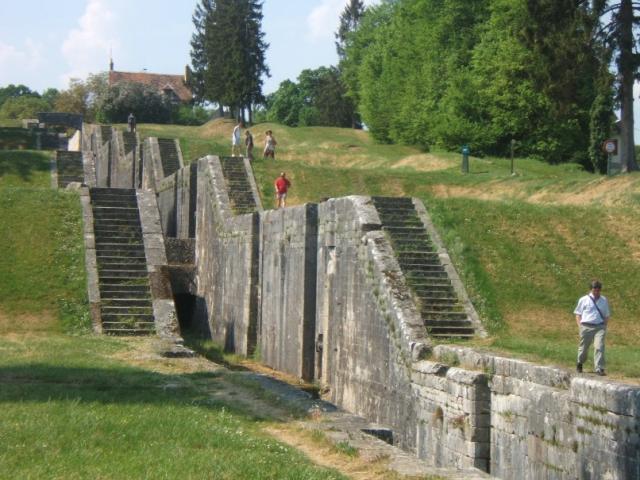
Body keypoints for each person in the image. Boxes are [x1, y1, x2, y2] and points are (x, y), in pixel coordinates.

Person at [574, 280, 611, 376]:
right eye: (595, 289)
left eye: (598, 290)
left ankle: (599, 368)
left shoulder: (604, 300)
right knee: (584, 348)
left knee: (599, 346)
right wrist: (580, 326)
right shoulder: (584, 300)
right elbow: (578, 314)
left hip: (599, 326)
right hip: (586, 326)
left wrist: (604, 326)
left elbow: (607, 315)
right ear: (591, 289)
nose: (597, 292)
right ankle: (580, 363)